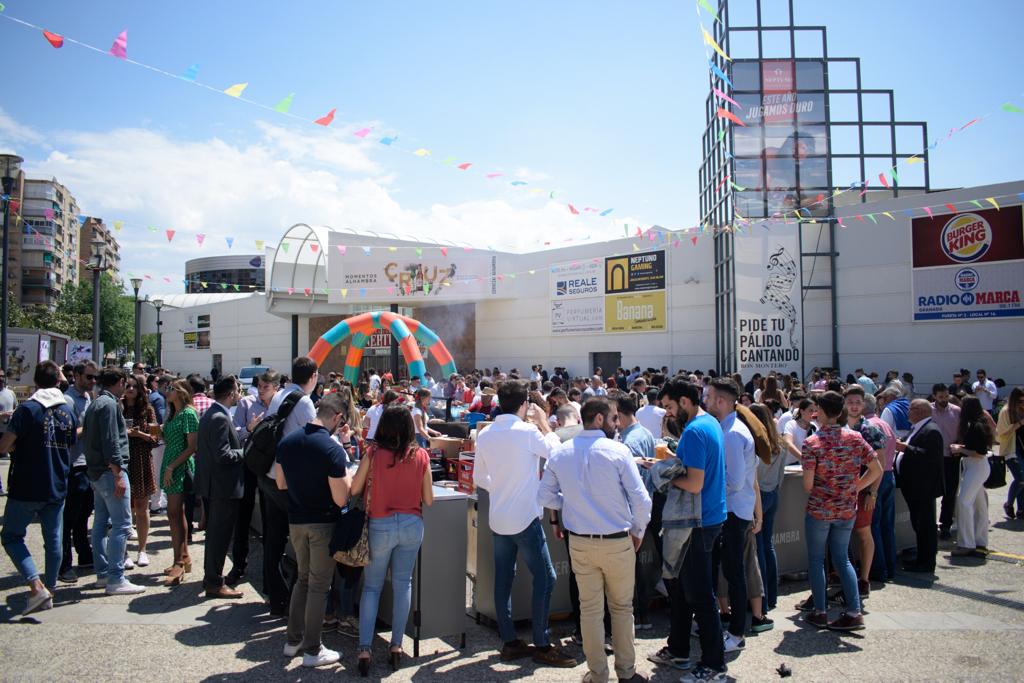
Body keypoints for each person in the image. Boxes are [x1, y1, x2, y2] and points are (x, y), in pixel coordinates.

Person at [539, 397, 652, 683]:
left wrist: (569, 502)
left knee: (590, 611)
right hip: (616, 540)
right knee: (621, 609)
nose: (617, 423)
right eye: (614, 418)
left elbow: (544, 496)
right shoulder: (618, 450)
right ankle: (625, 673)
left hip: (581, 542)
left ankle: (598, 674)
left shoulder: (562, 453)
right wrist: (638, 531)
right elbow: (641, 499)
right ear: (600, 419)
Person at [473, 380, 576, 668]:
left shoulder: (487, 433)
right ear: (524, 405)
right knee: (546, 577)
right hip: (525, 517)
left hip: (499, 516)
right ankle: (542, 643)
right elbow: (555, 452)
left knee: (504, 578)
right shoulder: (528, 431)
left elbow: (480, 478)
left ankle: (509, 641)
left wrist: (502, 488)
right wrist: (543, 423)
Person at [350, 405, 434, 676]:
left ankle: (365, 648)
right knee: (403, 584)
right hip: (412, 523)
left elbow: (355, 488)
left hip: (380, 524)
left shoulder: (372, 453)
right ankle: (397, 645)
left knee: (372, 587)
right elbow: (429, 499)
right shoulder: (420, 454)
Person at [655, 378, 728, 682]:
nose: (668, 414)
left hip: (698, 522)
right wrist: (673, 462)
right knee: (685, 590)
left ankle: (713, 665)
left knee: (699, 595)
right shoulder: (709, 423)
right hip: (708, 518)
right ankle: (679, 649)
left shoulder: (696, 430)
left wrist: (662, 474)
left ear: (685, 402)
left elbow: (695, 484)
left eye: (670, 407)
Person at [276, 392, 352, 668]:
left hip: (296, 521)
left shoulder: (288, 441)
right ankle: (312, 648)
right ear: (338, 417)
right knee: (320, 586)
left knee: (303, 580)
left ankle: (292, 640)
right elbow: (341, 498)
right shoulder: (331, 449)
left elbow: (281, 484)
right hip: (323, 523)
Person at [797, 391, 879, 631]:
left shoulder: (812, 443)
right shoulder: (855, 438)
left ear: (822, 412)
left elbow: (808, 485)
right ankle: (854, 611)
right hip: (846, 508)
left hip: (820, 509)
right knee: (842, 559)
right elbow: (876, 468)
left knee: (816, 559)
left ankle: (820, 610)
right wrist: (855, 487)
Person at [0, 361, 77, 614]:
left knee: (11, 536)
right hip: (57, 482)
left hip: (27, 483)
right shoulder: (68, 410)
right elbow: (70, 443)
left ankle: (35, 584)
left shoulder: (28, 410)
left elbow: (5, 445)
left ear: (35, 381)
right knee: (54, 540)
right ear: (58, 381)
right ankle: (51, 589)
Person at [262, 356, 319, 615]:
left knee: (273, 539)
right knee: (302, 541)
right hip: (290, 482)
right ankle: (297, 601)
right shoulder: (304, 402)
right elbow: (317, 439)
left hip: (269, 474)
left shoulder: (279, 395)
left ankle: (276, 596)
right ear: (313, 376)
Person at [704, 378, 757, 653]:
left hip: (734, 512)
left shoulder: (733, 433)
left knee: (735, 572)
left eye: (710, 397)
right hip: (732, 510)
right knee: (728, 570)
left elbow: (734, 481)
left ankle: (736, 633)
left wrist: (705, 484)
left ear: (722, 401)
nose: (707, 401)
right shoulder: (727, 429)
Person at [84, 367, 145, 595]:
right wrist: (118, 473)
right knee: (121, 525)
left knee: (100, 523)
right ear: (119, 381)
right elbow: (111, 442)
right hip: (110, 473)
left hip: (98, 472)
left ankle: (103, 574)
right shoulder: (109, 405)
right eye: (125, 383)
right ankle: (115, 578)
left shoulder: (97, 403)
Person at [195, 376, 245, 598]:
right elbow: (222, 454)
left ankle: (212, 577)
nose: (239, 394)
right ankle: (215, 582)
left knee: (216, 535)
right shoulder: (219, 418)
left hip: (214, 485)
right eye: (238, 390)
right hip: (222, 487)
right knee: (219, 536)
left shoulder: (213, 414)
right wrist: (245, 452)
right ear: (231, 393)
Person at [227, 370, 279, 587]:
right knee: (243, 516)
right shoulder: (246, 404)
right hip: (249, 465)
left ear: (275, 388)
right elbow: (236, 432)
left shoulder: (279, 406)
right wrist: (249, 428)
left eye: (266, 387)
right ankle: (238, 564)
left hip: (269, 468)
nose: (261, 390)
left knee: (270, 520)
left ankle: (270, 572)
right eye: (259, 386)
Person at [843, 385, 887, 596]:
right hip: (840, 492)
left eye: (857, 402)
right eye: (850, 402)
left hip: (862, 492)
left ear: (863, 405)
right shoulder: (838, 427)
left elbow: (881, 464)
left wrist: (872, 492)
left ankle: (864, 579)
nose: (853, 406)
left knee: (863, 533)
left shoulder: (870, 430)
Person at [893, 399, 945, 572]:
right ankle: (922, 557)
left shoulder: (931, 431)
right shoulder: (918, 428)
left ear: (920, 411)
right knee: (918, 524)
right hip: (914, 486)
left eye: (911, 409)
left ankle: (926, 562)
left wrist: (906, 448)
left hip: (923, 487)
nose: (908, 412)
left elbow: (931, 458)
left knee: (926, 526)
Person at [58, 361, 96, 583]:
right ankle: (64, 564)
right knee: (69, 517)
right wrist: (90, 428)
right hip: (74, 465)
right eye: (89, 377)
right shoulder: (68, 400)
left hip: (87, 464)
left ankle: (84, 554)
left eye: (95, 378)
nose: (93, 381)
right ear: (78, 376)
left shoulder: (88, 398)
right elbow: (67, 434)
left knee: (83, 514)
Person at [160, 379, 199, 585]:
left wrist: (171, 467)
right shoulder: (173, 413)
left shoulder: (188, 414)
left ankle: (179, 561)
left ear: (181, 392)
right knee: (175, 513)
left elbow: (192, 446)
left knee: (175, 513)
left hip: (179, 467)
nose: (167, 391)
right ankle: (183, 557)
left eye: (171, 388)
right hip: (171, 464)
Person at [750, 402, 785, 614]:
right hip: (772, 493)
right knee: (767, 546)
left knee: (758, 550)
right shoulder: (778, 443)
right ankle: (771, 594)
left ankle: (761, 598)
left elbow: (753, 479)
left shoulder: (756, 444)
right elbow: (780, 475)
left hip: (759, 497)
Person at [948, 396, 993, 557]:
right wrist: (962, 448)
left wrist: (959, 450)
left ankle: (966, 543)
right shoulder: (979, 424)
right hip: (977, 467)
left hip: (975, 466)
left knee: (964, 502)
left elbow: (978, 453)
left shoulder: (975, 426)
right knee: (979, 505)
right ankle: (980, 540)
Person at [122, 374, 158, 569]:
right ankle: (123, 552)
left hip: (142, 459)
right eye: (127, 385)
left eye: (134, 386)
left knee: (142, 507)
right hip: (123, 460)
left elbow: (155, 439)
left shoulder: (148, 411)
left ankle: (142, 550)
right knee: (123, 509)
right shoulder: (118, 407)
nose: (130, 389)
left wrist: (138, 434)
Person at [864, 393, 898, 581]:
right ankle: (889, 566)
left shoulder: (870, 427)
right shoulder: (883, 424)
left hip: (877, 477)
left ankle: (879, 568)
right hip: (888, 474)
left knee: (874, 525)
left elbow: (877, 458)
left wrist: (872, 491)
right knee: (886, 525)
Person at [928, 383, 963, 540]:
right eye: (940, 397)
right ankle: (930, 524)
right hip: (932, 458)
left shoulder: (956, 411)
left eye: (946, 396)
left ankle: (946, 525)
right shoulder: (928, 410)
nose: (944, 400)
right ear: (934, 396)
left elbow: (963, 433)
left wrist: (960, 446)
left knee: (950, 493)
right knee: (930, 492)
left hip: (951, 458)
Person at [997, 387, 1024, 519]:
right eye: (1020, 401)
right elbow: (1001, 432)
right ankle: (1009, 504)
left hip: (1022, 449)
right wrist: (1019, 423)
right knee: (1020, 478)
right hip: (1012, 449)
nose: (1022, 403)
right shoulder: (1006, 411)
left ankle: (1021, 509)